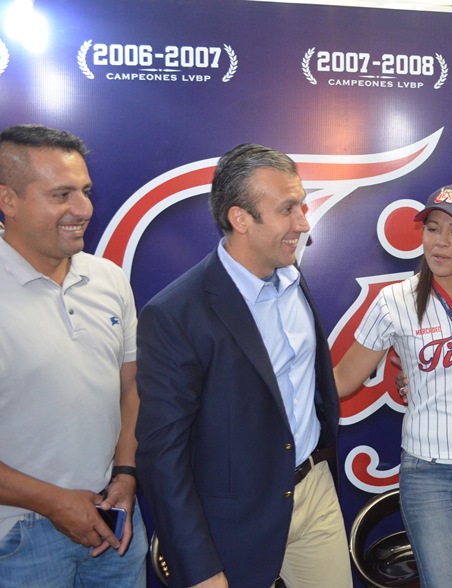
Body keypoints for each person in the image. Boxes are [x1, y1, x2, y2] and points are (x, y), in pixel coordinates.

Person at [135, 144, 349, 588]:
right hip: (237, 519)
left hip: (315, 492)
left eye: (302, 205)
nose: (303, 223)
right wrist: (198, 568)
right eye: (287, 209)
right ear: (240, 219)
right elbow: (163, 455)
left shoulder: (292, 277)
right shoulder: (176, 313)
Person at [335, 184, 452, 588]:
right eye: (432, 228)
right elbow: (343, 379)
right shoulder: (394, 302)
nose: (440, 242)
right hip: (432, 474)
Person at [0, 124, 147, 586]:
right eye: (61, 195)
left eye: (84, 191)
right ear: (8, 200)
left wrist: (126, 474)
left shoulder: (108, 278)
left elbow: (131, 386)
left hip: (115, 520)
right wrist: (52, 501)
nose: (82, 209)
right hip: (18, 537)